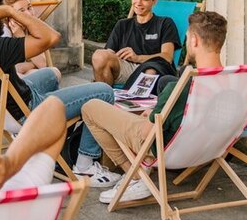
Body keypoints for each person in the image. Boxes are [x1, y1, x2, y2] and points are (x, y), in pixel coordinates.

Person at [0, 0, 120, 187]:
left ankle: (51, 138)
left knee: (51, 74)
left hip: (1, 106)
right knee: (105, 91)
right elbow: (52, 37)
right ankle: (85, 165)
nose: (5, 18)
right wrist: (13, 11)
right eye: (3, 10)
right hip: (25, 109)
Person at [83, 10, 227, 204]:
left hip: (162, 147)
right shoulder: (236, 83)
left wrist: (142, 117)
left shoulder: (181, 88)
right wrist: (158, 110)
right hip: (207, 149)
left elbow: (148, 132)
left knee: (91, 108)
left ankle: (136, 176)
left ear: (194, 41)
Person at [91, 0, 180, 87]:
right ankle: (104, 97)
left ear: (154, 1)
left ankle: (135, 101)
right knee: (99, 56)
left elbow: (167, 57)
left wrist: (137, 58)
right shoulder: (122, 24)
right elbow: (109, 52)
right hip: (127, 69)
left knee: (150, 72)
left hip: (153, 68)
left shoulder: (165, 23)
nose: (138, 3)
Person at [6, 0, 58, 79]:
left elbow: (42, 64)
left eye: (29, 7)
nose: (29, 13)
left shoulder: (33, 30)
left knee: (38, 73)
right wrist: (32, 65)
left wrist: (22, 36)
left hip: (25, 78)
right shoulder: (5, 33)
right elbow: (11, 70)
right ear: (10, 17)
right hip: (8, 82)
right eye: (21, 10)